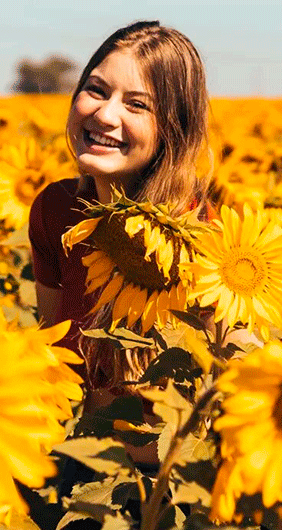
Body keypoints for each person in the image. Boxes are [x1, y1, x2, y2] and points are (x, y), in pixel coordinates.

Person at [28, 20, 212, 392]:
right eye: (96, 90)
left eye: (137, 104)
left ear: (173, 128)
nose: (105, 115)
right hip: (72, 445)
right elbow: (52, 362)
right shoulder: (57, 210)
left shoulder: (204, 238)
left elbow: (204, 389)